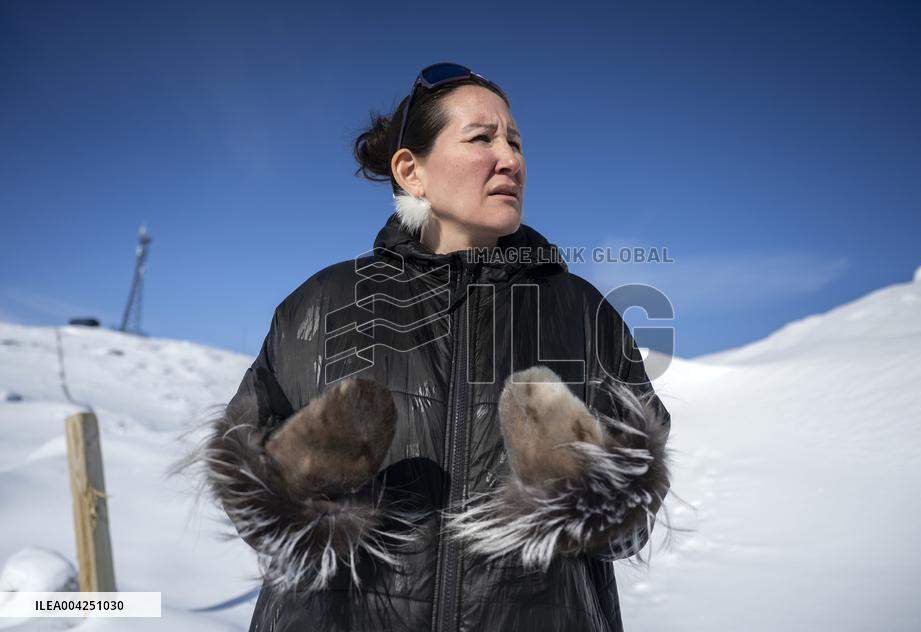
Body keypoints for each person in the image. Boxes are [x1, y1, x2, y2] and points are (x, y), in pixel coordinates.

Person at [196, 62, 672, 632]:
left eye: (515, 141)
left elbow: (635, 525)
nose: (511, 159)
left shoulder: (583, 313)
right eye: (482, 138)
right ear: (411, 171)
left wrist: (586, 482)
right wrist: (302, 477)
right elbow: (244, 485)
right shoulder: (322, 303)